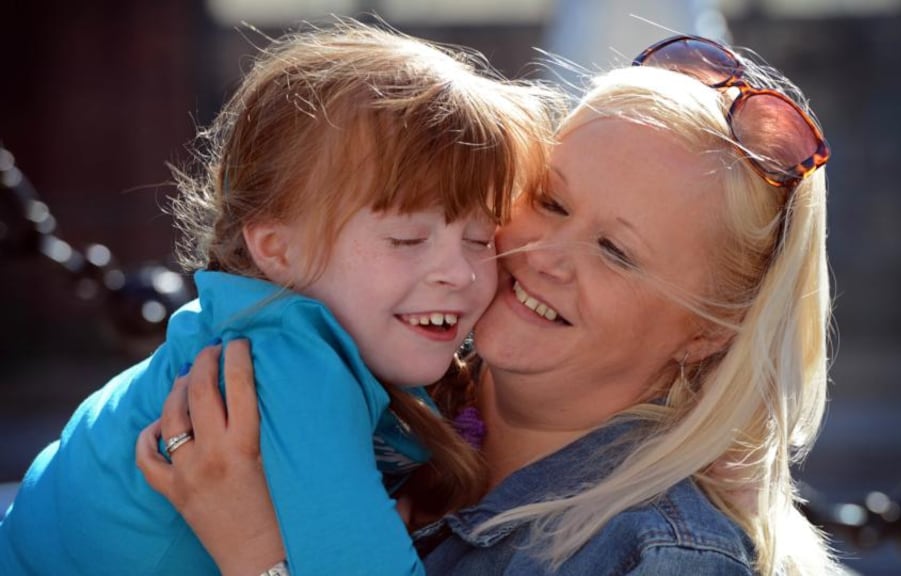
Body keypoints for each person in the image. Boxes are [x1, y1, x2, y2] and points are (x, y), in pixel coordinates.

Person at [139, 34, 839, 575]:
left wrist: (255, 553)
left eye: (616, 252)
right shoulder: (377, 396)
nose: (545, 255)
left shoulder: (657, 553)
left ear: (709, 331)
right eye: (550, 200)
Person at [0, 20, 557, 576]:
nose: (458, 272)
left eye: (481, 239)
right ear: (277, 249)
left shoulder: (272, 326)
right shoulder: (290, 365)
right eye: (407, 238)